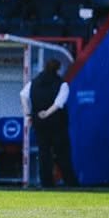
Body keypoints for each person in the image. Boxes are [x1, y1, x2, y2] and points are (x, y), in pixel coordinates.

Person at [22, 58, 76, 187]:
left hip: (39, 123)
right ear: (58, 69)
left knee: (44, 153)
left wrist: (28, 112)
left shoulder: (34, 82)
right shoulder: (62, 84)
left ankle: (46, 183)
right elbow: (58, 103)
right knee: (62, 153)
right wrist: (47, 113)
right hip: (57, 124)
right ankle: (70, 182)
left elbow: (23, 95)